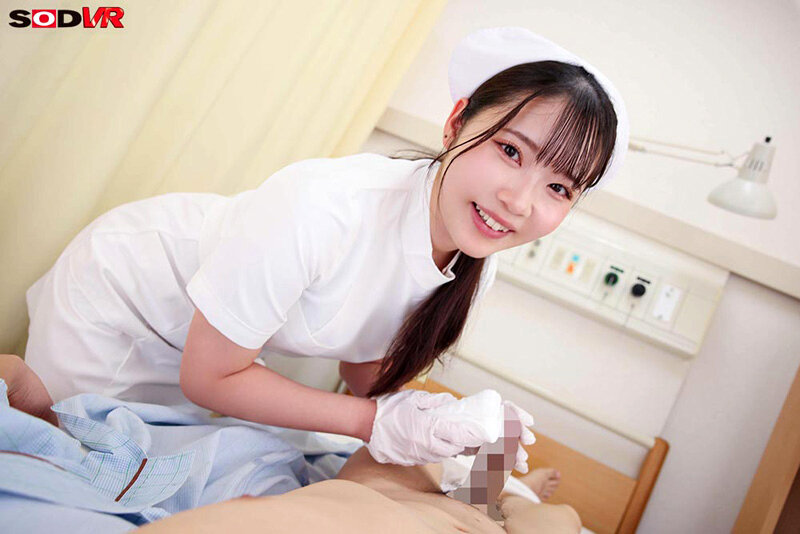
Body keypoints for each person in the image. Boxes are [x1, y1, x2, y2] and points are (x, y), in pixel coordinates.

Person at [21, 26, 628, 470]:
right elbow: (210, 377)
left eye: (559, 187)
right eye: (510, 150)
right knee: (64, 460)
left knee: (155, 474)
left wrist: (456, 429)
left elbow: (366, 368)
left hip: (213, 355)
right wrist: (376, 423)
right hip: (124, 304)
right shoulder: (325, 205)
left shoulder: (474, 262)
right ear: (456, 122)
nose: (519, 201)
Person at [0, 353, 574, 534]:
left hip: (386, 504)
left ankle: (517, 487)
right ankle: (511, 484)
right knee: (475, 483)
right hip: (378, 499)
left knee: (540, 512)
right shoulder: (417, 480)